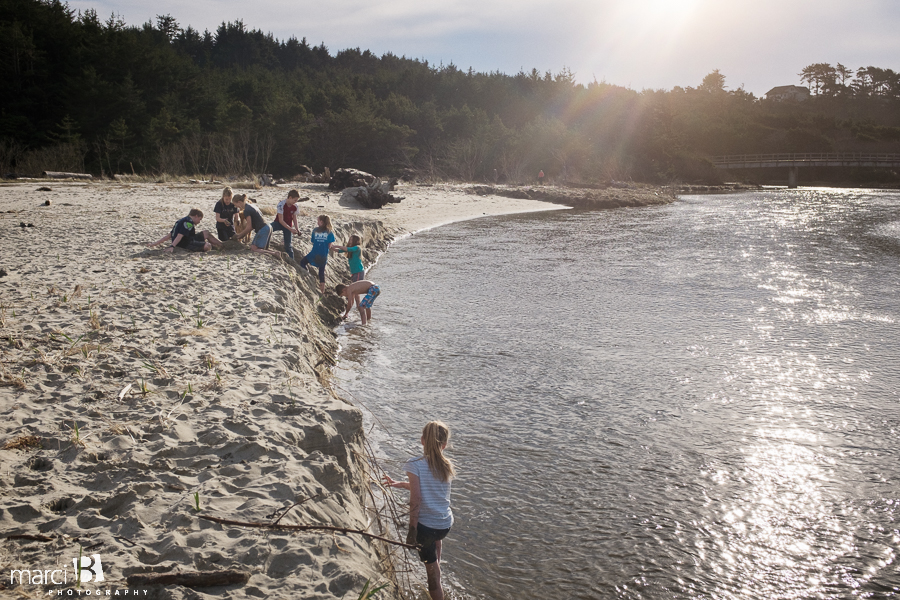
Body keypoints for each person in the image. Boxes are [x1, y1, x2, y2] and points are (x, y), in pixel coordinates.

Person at [384, 421, 456, 600]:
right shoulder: (446, 465)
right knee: (435, 542)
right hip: (445, 524)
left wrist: (412, 530)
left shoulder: (414, 464)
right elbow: (427, 489)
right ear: (444, 444)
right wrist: (398, 484)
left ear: (422, 440)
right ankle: (436, 567)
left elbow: (417, 498)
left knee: (431, 575)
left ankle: (436, 581)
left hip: (426, 527)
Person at [147, 208, 223, 253]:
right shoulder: (188, 223)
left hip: (189, 238)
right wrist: (172, 246)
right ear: (196, 216)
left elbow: (170, 235)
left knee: (206, 233)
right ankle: (217, 247)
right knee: (207, 246)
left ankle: (221, 245)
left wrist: (154, 244)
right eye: (200, 219)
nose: (199, 222)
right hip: (185, 243)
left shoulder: (181, 220)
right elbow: (180, 235)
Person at [299, 215, 335, 294]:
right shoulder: (329, 232)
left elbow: (313, 241)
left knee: (302, 262)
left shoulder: (315, 230)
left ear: (321, 222)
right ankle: (322, 291)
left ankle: (307, 274)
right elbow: (330, 245)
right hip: (323, 255)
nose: (317, 222)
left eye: (318, 221)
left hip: (314, 253)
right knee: (321, 272)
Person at [272, 189, 302, 259]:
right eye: (295, 200)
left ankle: (292, 261)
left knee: (288, 245)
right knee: (268, 228)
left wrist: (297, 229)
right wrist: (291, 229)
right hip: (278, 223)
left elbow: (294, 218)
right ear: (290, 197)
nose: (295, 202)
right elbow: (281, 220)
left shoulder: (295, 206)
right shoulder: (281, 204)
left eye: (296, 201)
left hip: (288, 225)